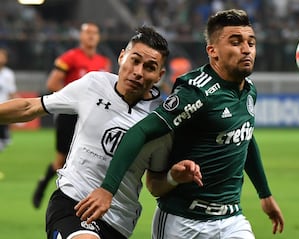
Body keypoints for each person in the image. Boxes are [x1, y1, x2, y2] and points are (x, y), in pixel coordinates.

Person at [75, 9, 285, 239]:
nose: (246, 49)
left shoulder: (249, 90)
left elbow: (244, 137)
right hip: (183, 222)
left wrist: (265, 194)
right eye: (235, 42)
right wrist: (108, 189)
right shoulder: (196, 92)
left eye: (251, 43)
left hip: (231, 219)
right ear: (212, 51)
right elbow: (141, 131)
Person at [0, 26, 202, 239]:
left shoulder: (162, 120)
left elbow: (154, 185)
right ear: (122, 57)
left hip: (118, 222)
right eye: (134, 60)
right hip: (72, 203)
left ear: (160, 74)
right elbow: (30, 107)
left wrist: (173, 177)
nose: (138, 72)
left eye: (149, 67)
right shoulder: (93, 84)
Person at [32, 22, 112, 209]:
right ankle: (43, 185)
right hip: (70, 115)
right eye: (87, 33)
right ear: (81, 37)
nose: (91, 36)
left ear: (99, 37)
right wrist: (74, 100)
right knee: (61, 160)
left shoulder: (103, 62)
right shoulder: (70, 57)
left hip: (93, 116)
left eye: (95, 33)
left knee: (93, 158)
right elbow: (52, 84)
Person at [0, 47, 17, 152]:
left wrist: (13, 108)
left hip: (3, 106)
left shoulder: (9, 74)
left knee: (5, 139)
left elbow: (12, 92)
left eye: (2, 56)